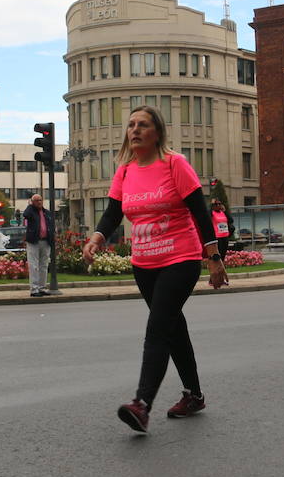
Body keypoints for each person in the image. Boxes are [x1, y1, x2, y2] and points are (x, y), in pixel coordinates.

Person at [83, 105, 228, 433]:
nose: (135, 130)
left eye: (143, 125)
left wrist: (214, 258)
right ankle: (194, 395)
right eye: (131, 125)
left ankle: (142, 404)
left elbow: (200, 213)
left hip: (181, 258)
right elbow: (112, 214)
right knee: (172, 329)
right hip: (144, 264)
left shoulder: (175, 164)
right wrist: (96, 238)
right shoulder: (124, 171)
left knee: (157, 329)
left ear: (157, 132)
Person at [21, 193, 54, 297]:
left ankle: (42, 287)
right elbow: (25, 215)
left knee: (44, 265)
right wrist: (30, 205)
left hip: (45, 241)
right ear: (32, 202)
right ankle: (34, 289)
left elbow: (51, 225)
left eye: (40, 200)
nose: (39, 202)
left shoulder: (46, 213)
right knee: (33, 265)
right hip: (34, 241)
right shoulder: (30, 212)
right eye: (36, 200)